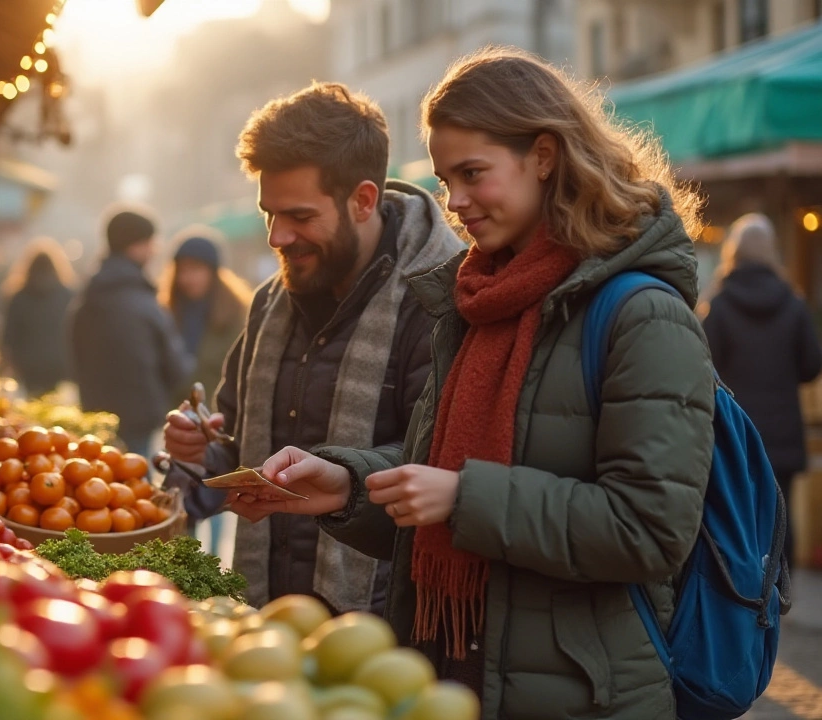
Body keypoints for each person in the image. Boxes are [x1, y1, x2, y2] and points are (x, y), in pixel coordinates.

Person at [237, 48, 714, 719]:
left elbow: (651, 529)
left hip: (581, 696)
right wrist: (348, 484)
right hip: (456, 675)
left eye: (472, 174)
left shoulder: (643, 315)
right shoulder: (479, 300)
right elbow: (438, 471)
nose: (455, 202)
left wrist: (466, 498)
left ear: (543, 156)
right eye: (443, 179)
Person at [162, 82, 463, 616]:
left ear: (363, 200)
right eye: (268, 214)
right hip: (265, 616)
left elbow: (440, 466)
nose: (278, 237)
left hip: (383, 630)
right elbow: (236, 450)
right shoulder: (271, 300)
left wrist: (346, 480)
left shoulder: (439, 300)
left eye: (299, 217)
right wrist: (199, 453)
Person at [703, 213, 822, 566]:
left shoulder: (719, 306)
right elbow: (812, 366)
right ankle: (782, 600)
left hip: (734, 434)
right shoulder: (794, 305)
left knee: (739, 519)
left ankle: (744, 601)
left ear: (732, 253)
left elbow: (702, 369)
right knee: (780, 519)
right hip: (783, 434)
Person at [70, 207, 193, 458]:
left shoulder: (89, 295)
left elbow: (73, 352)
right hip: (139, 417)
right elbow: (176, 366)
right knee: (135, 480)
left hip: (96, 413)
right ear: (135, 245)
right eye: (150, 242)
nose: (154, 250)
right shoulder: (143, 301)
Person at [157, 229, 253, 548]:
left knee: (216, 493)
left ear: (213, 272)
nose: (189, 277)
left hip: (219, 421)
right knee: (184, 493)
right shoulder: (169, 310)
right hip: (183, 423)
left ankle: (211, 556)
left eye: (197, 269)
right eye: (183, 269)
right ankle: (189, 551)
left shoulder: (237, 312)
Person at [0, 238, 77, 398]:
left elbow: (8, 336)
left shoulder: (18, 297)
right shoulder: (67, 295)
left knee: (34, 406)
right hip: (60, 364)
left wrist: (6, 365)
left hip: (28, 366)